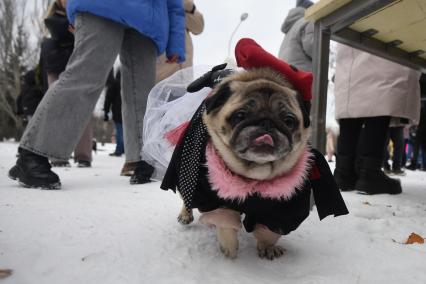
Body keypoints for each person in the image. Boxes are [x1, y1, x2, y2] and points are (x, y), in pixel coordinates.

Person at [8, 0, 185, 189]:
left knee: (142, 93)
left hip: (150, 19)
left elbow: (174, 4)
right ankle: (33, 153)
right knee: (84, 76)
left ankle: (143, 160)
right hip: (100, 5)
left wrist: (176, 42)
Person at [121, 0, 203, 176]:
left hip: (184, 74)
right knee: (152, 119)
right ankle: (138, 159)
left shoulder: (184, 11)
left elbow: (199, 27)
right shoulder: (158, 7)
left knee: (180, 121)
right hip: (160, 70)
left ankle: (175, 163)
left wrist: (189, 7)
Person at [333, 44, 421, 195]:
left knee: (353, 97)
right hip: (382, 41)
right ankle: (369, 173)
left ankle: (343, 172)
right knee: (380, 92)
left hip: (350, 46)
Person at [41, 0, 93, 168]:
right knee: (57, 109)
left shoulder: (83, 15)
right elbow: (56, 33)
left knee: (82, 109)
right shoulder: (53, 18)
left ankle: (83, 155)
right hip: (56, 66)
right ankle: (57, 154)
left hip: (77, 65)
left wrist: (79, 34)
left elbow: (91, 41)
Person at [278, 0, 314, 72]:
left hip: (285, 74)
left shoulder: (289, 31)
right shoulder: (308, 21)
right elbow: (314, 48)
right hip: (302, 75)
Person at [104, 69, 124, 157]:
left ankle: (119, 150)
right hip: (130, 112)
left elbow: (108, 98)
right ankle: (129, 150)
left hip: (118, 112)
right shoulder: (131, 83)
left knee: (119, 131)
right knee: (128, 132)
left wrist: (106, 111)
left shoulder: (115, 83)